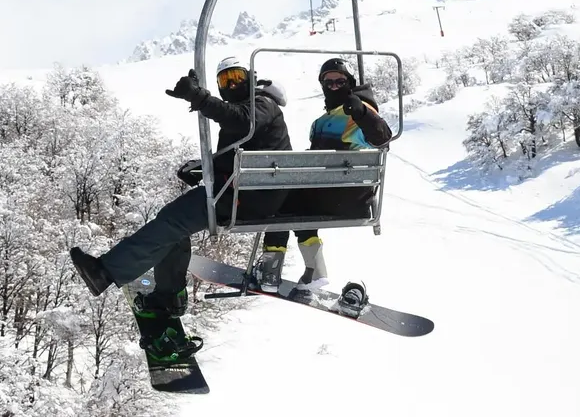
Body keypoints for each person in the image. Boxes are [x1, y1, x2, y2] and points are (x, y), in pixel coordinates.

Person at [69, 56, 291, 361]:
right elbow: (237, 152)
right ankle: (168, 296)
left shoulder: (261, 104)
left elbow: (241, 121)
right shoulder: (251, 110)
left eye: (238, 76)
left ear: (252, 77)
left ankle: (107, 272)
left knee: (172, 221)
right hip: (247, 193)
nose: (233, 84)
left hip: (245, 198)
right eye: (226, 81)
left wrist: (199, 98)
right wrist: (203, 168)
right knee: (173, 225)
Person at [255, 57, 393, 293]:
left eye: (340, 82)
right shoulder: (321, 121)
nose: (334, 87)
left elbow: (382, 137)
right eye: (328, 82)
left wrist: (361, 113)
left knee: (277, 200)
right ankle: (315, 272)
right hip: (333, 195)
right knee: (294, 204)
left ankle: (270, 270)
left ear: (350, 82)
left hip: (348, 195)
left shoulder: (360, 111)